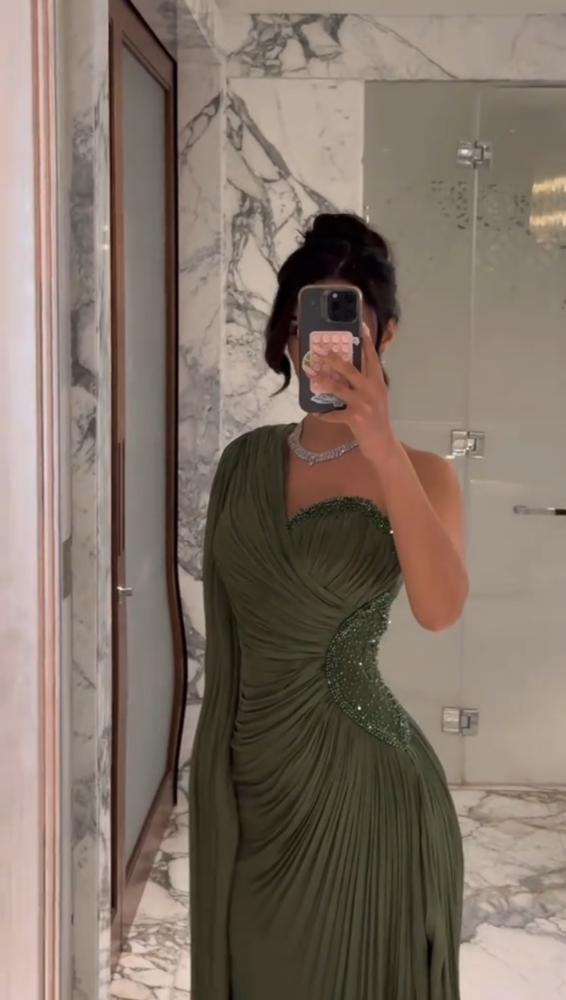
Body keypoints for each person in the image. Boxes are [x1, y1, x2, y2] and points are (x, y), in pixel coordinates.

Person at [189, 213, 468, 1000]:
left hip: (367, 797)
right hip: (252, 786)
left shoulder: (424, 473)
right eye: (300, 326)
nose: (318, 348)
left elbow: (440, 611)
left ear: (385, 338)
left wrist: (382, 450)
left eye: (346, 331)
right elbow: (231, 636)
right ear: (286, 337)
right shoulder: (243, 464)